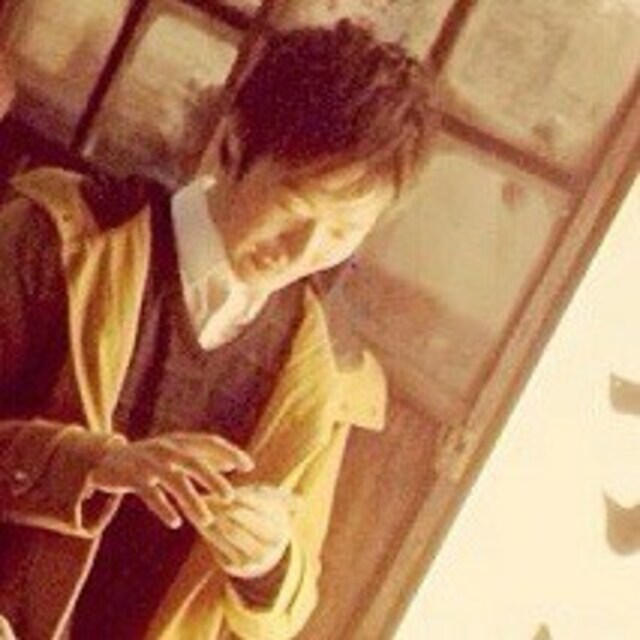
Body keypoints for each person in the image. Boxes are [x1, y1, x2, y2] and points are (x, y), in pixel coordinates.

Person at [0, 20, 436, 640]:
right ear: (230, 144)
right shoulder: (60, 238)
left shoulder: (313, 368)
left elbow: (288, 608)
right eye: (296, 206)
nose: (303, 251)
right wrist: (96, 464)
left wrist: (264, 560)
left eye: (343, 232)